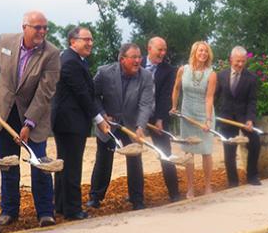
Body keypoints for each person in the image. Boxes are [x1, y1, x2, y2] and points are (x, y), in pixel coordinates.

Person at [0, 11, 60, 227]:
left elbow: (45, 92)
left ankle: (45, 212)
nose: (41, 32)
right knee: (8, 165)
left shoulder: (51, 53)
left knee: (39, 164)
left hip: (35, 116)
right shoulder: (5, 41)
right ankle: (9, 211)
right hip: (5, 114)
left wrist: (29, 123)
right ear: (24, 27)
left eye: (44, 28)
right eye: (37, 27)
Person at [51, 26, 110, 220]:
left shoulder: (75, 60)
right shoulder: (70, 62)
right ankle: (73, 209)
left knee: (64, 164)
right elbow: (83, 95)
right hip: (70, 122)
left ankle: (60, 205)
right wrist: (99, 119)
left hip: (68, 120)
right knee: (71, 166)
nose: (90, 43)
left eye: (91, 40)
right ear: (72, 41)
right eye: (86, 39)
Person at [86, 43, 154, 210]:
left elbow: (146, 104)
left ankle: (137, 199)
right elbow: (92, 95)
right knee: (103, 160)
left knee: (135, 161)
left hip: (131, 125)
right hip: (108, 125)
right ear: (122, 59)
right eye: (134, 57)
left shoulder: (146, 76)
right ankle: (95, 197)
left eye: (140, 57)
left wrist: (140, 126)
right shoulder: (105, 72)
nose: (138, 60)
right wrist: (102, 115)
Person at [170, 41, 217, 198]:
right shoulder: (183, 70)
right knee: (189, 152)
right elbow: (176, 88)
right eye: (200, 51)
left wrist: (208, 120)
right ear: (194, 52)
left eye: (206, 51)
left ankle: (208, 186)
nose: (203, 53)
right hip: (187, 115)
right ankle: (190, 188)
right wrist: (174, 106)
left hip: (204, 115)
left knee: (206, 151)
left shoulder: (211, 74)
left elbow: (209, 98)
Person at [216, 46, 261, 186]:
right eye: (237, 61)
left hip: (244, 118)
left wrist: (250, 119)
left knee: (255, 143)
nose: (240, 64)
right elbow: (215, 96)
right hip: (226, 117)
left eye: (243, 61)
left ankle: (252, 176)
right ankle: (233, 181)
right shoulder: (221, 75)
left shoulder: (251, 78)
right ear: (231, 60)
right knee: (229, 150)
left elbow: (252, 101)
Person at [142, 37, 180, 202]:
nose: (163, 53)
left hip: (157, 117)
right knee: (134, 155)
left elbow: (165, 96)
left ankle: (174, 193)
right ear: (149, 48)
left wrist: (159, 119)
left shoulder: (169, 70)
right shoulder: (137, 62)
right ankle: (136, 197)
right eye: (160, 50)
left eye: (165, 50)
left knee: (165, 153)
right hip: (136, 116)